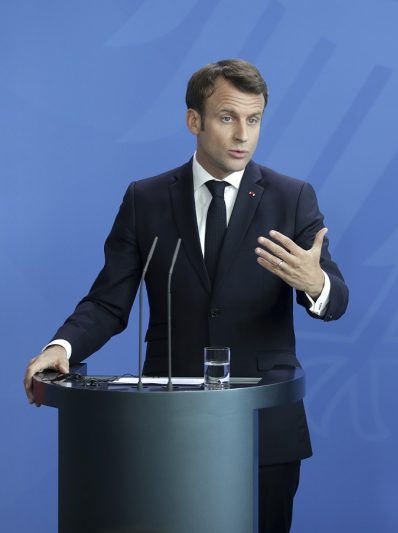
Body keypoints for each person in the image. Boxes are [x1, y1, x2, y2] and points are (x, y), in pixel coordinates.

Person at [23, 58, 349, 532]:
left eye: (254, 119)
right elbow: (108, 301)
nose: (242, 135)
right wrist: (62, 346)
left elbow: (336, 300)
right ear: (194, 120)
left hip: (262, 423)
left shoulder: (292, 197)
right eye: (227, 117)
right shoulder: (146, 199)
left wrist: (315, 283)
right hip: (167, 419)